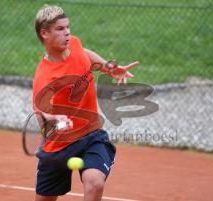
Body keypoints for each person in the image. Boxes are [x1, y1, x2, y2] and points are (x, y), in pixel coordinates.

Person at [33, 4, 139, 201]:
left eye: (67, 27)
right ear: (44, 33)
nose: (67, 33)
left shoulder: (73, 43)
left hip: (91, 134)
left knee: (95, 182)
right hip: (58, 146)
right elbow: (41, 117)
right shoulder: (45, 77)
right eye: (60, 29)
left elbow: (84, 53)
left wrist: (108, 67)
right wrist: (55, 120)